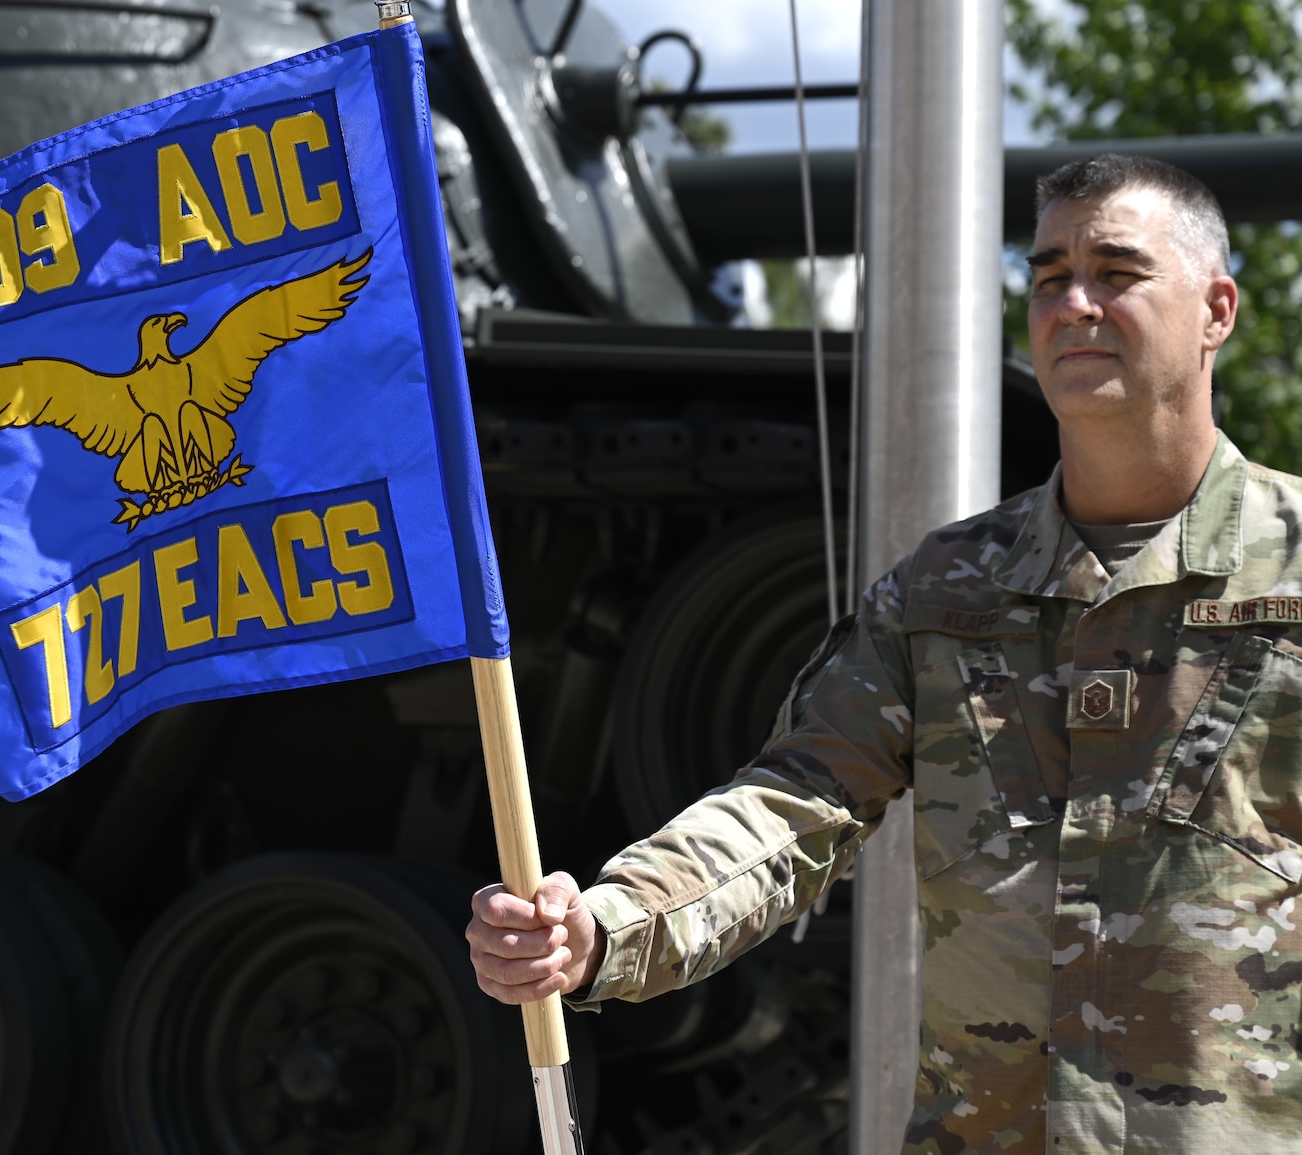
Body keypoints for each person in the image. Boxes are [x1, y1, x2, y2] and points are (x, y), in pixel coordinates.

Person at [464, 153, 1302, 1152]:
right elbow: (787, 809)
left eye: (1114, 271)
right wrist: (603, 925)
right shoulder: (945, 592)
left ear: (1214, 309)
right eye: (1045, 277)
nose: (1071, 302)